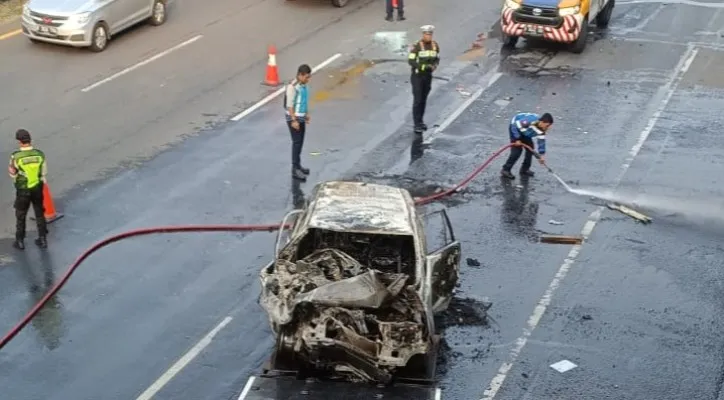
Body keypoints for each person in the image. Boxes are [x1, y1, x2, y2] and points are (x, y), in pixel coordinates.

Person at [8, 129, 48, 250]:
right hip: (37, 187)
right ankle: (42, 239)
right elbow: (44, 172)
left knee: (21, 214)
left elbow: (12, 173)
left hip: (23, 189)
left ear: (19, 142)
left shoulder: (16, 156)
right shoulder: (39, 154)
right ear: (30, 140)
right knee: (39, 212)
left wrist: (17, 179)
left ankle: (20, 241)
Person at [501, 112, 554, 179]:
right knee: (517, 151)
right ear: (541, 122)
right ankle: (505, 170)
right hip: (516, 129)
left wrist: (541, 155)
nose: (548, 128)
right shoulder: (529, 121)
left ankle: (524, 169)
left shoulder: (542, 129)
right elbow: (514, 126)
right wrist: (517, 139)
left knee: (530, 149)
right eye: (547, 125)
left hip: (526, 132)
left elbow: (541, 142)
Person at [408, 25, 440, 134]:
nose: (429, 36)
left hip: (428, 76)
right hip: (417, 76)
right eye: (427, 34)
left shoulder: (435, 45)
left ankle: (421, 121)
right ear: (423, 35)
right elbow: (411, 61)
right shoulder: (417, 46)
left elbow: (437, 58)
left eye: (430, 34)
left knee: (423, 100)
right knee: (417, 100)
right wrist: (423, 67)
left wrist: (434, 66)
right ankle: (416, 124)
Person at [284, 64, 312, 181]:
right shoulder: (293, 87)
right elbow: (290, 105)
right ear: (300, 75)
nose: (308, 79)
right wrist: (294, 120)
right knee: (296, 143)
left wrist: (306, 114)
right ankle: (295, 169)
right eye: (306, 77)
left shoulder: (303, 85)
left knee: (300, 142)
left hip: (300, 117)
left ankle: (298, 166)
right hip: (293, 118)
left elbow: (303, 101)